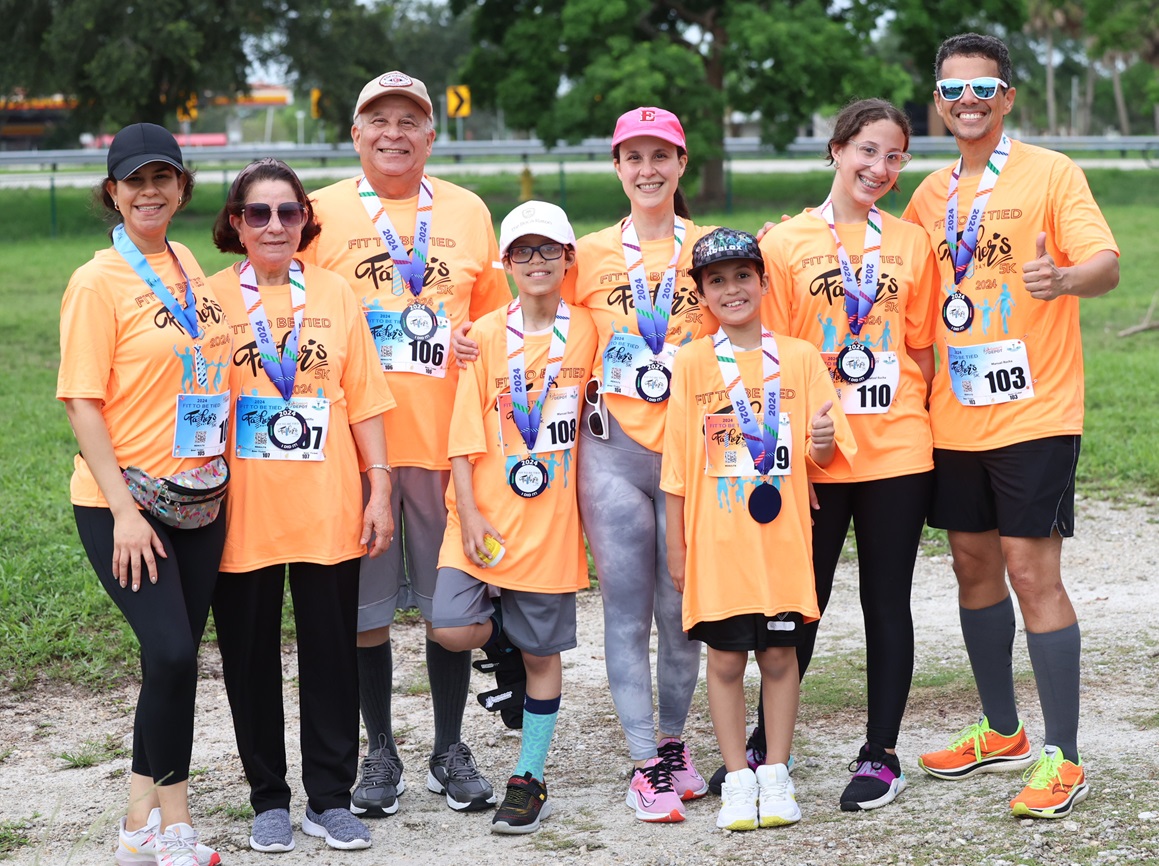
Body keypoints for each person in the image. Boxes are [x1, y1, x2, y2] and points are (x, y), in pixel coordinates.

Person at [454, 106, 720, 823]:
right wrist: (469, 343)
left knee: (682, 610)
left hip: (692, 455)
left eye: (659, 156)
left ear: (681, 163)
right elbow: (529, 317)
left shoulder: (710, 247)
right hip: (612, 455)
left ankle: (673, 745)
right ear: (616, 167)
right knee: (630, 614)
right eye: (632, 157)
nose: (647, 170)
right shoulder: (592, 252)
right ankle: (644, 762)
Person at [901, 32, 1119, 819]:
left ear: (1006, 98)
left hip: (1034, 411)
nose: (967, 103)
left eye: (982, 90)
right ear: (937, 99)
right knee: (971, 566)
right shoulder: (927, 195)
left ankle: (1063, 755)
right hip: (952, 417)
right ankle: (1000, 731)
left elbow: (1106, 263)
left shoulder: (1050, 173)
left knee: (1032, 574)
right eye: (952, 90)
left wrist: (1061, 278)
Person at [299, 71, 511, 818]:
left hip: (449, 445)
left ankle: (448, 747)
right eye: (378, 120)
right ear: (354, 133)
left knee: (448, 612)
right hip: (357, 454)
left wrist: (470, 346)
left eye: (409, 121)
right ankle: (379, 749)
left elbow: (494, 333)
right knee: (366, 615)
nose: (394, 133)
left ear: (431, 134)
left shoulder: (468, 211)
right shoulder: (316, 212)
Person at [208, 158, 396, 852]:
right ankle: (268, 799)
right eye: (257, 213)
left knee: (329, 654)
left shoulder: (337, 294)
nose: (275, 225)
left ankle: (328, 796)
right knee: (248, 656)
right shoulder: (209, 299)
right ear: (235, 222)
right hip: (243, 510)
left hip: (327, 502)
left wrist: (378, 485)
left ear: (305, 221)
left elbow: (366, 398)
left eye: (288, 212)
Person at [758, 98, 940, 811]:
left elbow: (920, 348)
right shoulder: (784, 243)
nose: (880, 167)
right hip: (816, 452)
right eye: (867, 150)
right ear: (836, 149)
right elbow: (768, 360)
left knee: (884, 601)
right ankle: (771, 743)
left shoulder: (911, 243)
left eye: (894, 155)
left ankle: (880, 752)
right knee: (801, 601)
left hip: (897, 448)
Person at [58, 123, 231, 866]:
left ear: (183, 187)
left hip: (196, 498)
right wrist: (124, 513)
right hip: (124, 505)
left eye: (164, 177)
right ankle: (179, 827)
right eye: (135, 181)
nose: (150, 191)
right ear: (113, 192)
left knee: (175, 660)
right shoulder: (97, 281)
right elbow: (81, 402)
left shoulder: (187, 262)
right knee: (169, 654)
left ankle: (137, 827)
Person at [662, 228, 856, 831]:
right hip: (718, 549)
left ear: (765, 282)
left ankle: (775, 773)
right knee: (723, 663)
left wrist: (820, 441)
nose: (732, 288)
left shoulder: (797, 357)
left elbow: (826, 450)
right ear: (701, 295)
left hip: (780, 546)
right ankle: (737, 782)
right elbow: (675, 467)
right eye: (716, 280)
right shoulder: (694, 362)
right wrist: (677, 548)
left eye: (743, 275)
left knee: (779, 656)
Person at [430, 201, 598, 834]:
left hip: (550, 523)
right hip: (480, 513)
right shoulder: (481, 335)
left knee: (543, 655)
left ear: (566, 260)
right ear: (504, 264)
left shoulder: (588, 329)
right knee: (448, 624)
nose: (535, 262)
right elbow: (463, 432)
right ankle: (497, 640)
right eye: (522, 252)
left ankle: (529, 777)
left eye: (548, 251)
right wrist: (469, 511)